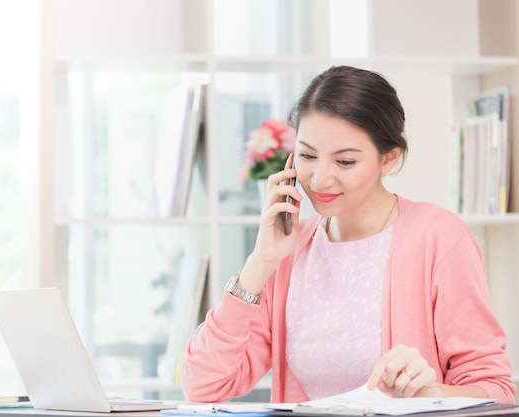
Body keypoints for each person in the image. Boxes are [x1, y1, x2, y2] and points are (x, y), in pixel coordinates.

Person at [181, 66, 516, 404]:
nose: (321, 179)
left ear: (389, 158)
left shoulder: (439, 238)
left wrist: (429, 395)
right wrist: (261, 261)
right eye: (308, 155)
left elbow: (497, 392)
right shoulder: (290, 250)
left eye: (344, 162)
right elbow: (204, 386)